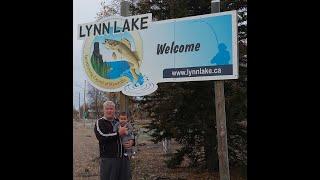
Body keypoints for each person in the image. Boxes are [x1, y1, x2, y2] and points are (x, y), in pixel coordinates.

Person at [94, 101, 134, 180]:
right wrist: (118, 133)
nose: (109, 111)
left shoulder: (120, 121)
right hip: (109, 159)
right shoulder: (100, 122)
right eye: (107, 109)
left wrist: (132, 141)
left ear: (114, 110)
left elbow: (130, 133)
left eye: (111, 109)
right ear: (103, 110)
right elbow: (102, 136)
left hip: (123, 158)